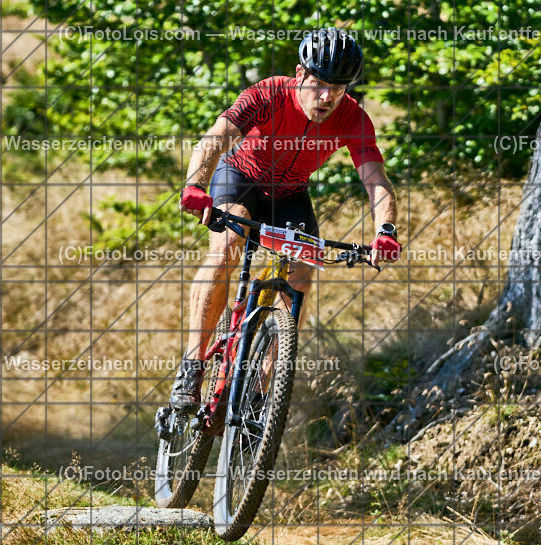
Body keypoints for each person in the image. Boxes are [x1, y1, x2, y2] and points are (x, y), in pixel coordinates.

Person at [172, 27, 402, 410]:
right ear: (300, 74)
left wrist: (386, 231)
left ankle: (261, 395)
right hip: (241, 179)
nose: (327, 97)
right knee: (227, 247)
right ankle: (192, 366)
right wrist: (195, 186)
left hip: (290, 195)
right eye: (320, 85)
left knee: (300, 279)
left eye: (339, 88)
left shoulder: (353, 119)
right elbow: (215, 138)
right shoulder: (269, 93)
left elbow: (376, 180)